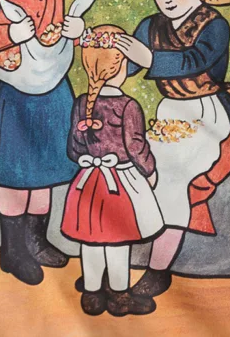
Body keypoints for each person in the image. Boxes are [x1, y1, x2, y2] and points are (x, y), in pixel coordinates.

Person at [115, 0, 230, 300]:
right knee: (140, 169)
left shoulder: (214, 24)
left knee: (173, 182)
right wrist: (99, 46)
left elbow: (195, 61)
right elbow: (128, 63)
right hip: (169, 111)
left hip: (207, 111)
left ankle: (159, 269)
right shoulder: (150, 25)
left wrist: (150, 59)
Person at [0, 0, 85, 286]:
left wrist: (74, 31)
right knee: (13, 170)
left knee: (45, 168)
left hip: (50, 83)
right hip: (10, 87)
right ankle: (13, 250)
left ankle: (36, 240)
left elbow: (53, 32)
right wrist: (10, 35)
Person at [62, 25, 163, 317]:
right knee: (118, 241)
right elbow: (136, 145)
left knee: (91, 240)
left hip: (87, 183)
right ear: (120, 67)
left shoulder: (81, 103)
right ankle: (119, 297)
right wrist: (150, 171)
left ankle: (92, 295)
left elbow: (73, 147)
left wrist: (87, 159)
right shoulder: (128, 105)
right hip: (119, 185)